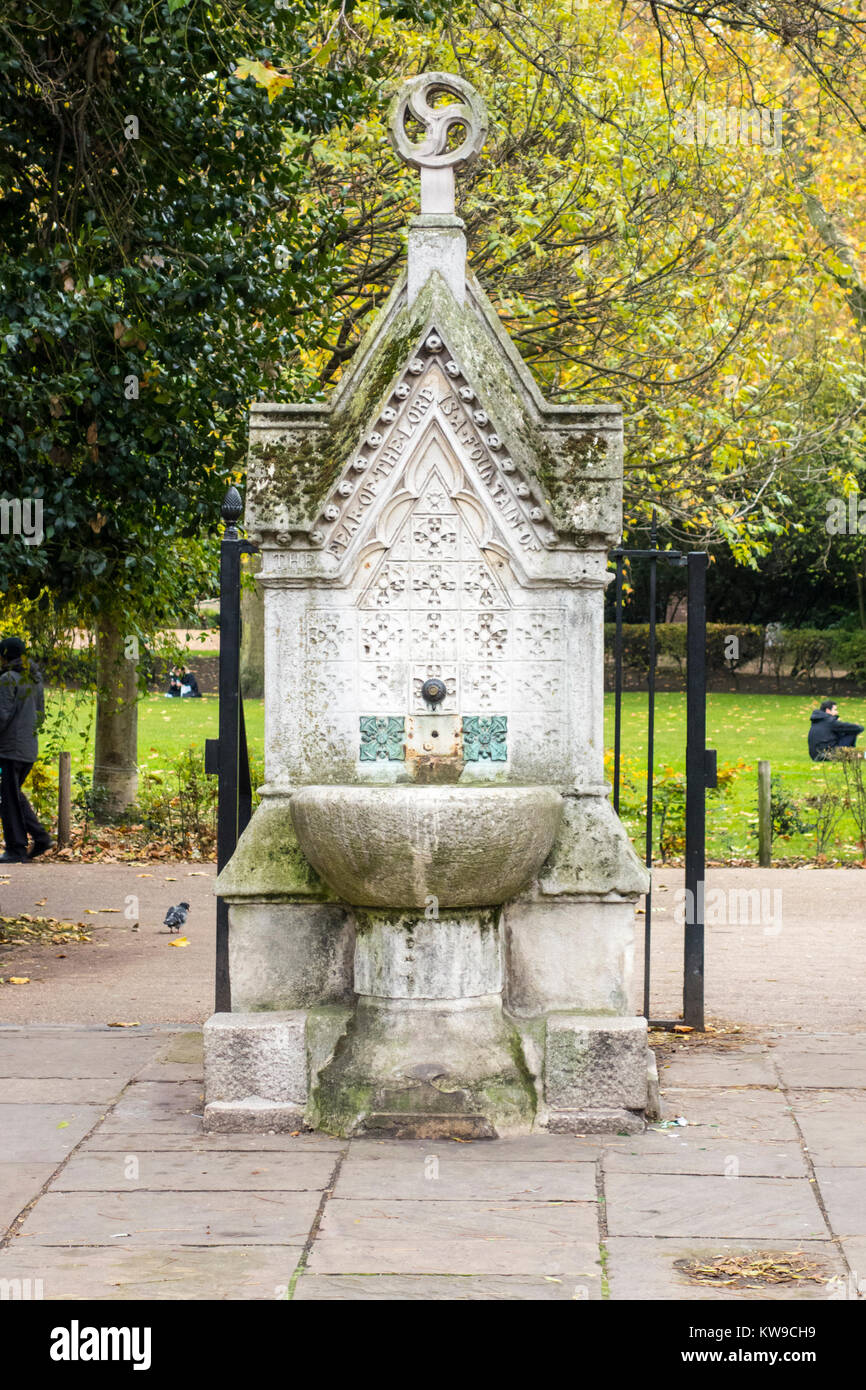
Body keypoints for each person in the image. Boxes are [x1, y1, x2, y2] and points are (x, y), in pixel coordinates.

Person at [0, 636, 51, 863]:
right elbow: (40, 716)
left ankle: (16, 848)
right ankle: (40, 837)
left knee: (9, 799)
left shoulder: (8, 679)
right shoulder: (34, 680)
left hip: (10, 749)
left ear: (5, 656)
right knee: (14, 796)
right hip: (28, 748)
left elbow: (1, 716)